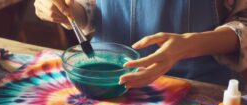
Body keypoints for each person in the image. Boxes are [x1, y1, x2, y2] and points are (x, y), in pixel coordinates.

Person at [34, 0, 247, 88]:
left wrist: (188, 45)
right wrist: (66, 12)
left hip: (196, 93)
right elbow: (88, 9)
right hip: (108, 89)